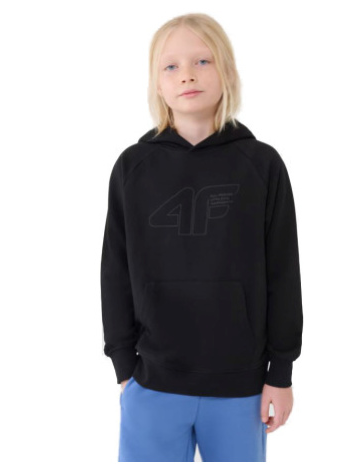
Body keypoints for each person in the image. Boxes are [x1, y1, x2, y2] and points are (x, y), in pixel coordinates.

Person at [100, 13, 304, 462]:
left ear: (227, 72)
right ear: (157, 84)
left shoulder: (262, 165)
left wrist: (281, 372)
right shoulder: (133, 167)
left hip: (241, 387)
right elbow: (114, 271)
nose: (187, 74)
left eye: (202, 61)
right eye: (171, 66)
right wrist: (123, 366)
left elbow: (283, 272)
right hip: (152, 383)